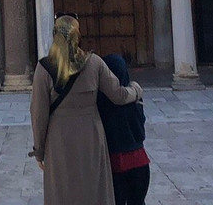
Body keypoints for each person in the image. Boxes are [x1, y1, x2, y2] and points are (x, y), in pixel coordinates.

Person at [30, 15, 143, 205]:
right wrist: (136, 90)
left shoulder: (44, 68)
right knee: (93, 189)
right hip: (91, 134)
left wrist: (39, 151)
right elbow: (119, 95)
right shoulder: (95, 63)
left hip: (59, 138)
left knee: (62, 190)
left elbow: (38, 113)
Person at [97, 54, 150, 205]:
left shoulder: (101, 102)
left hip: (114, 161)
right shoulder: (135, 97)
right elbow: (141, 125)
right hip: (139, 159)